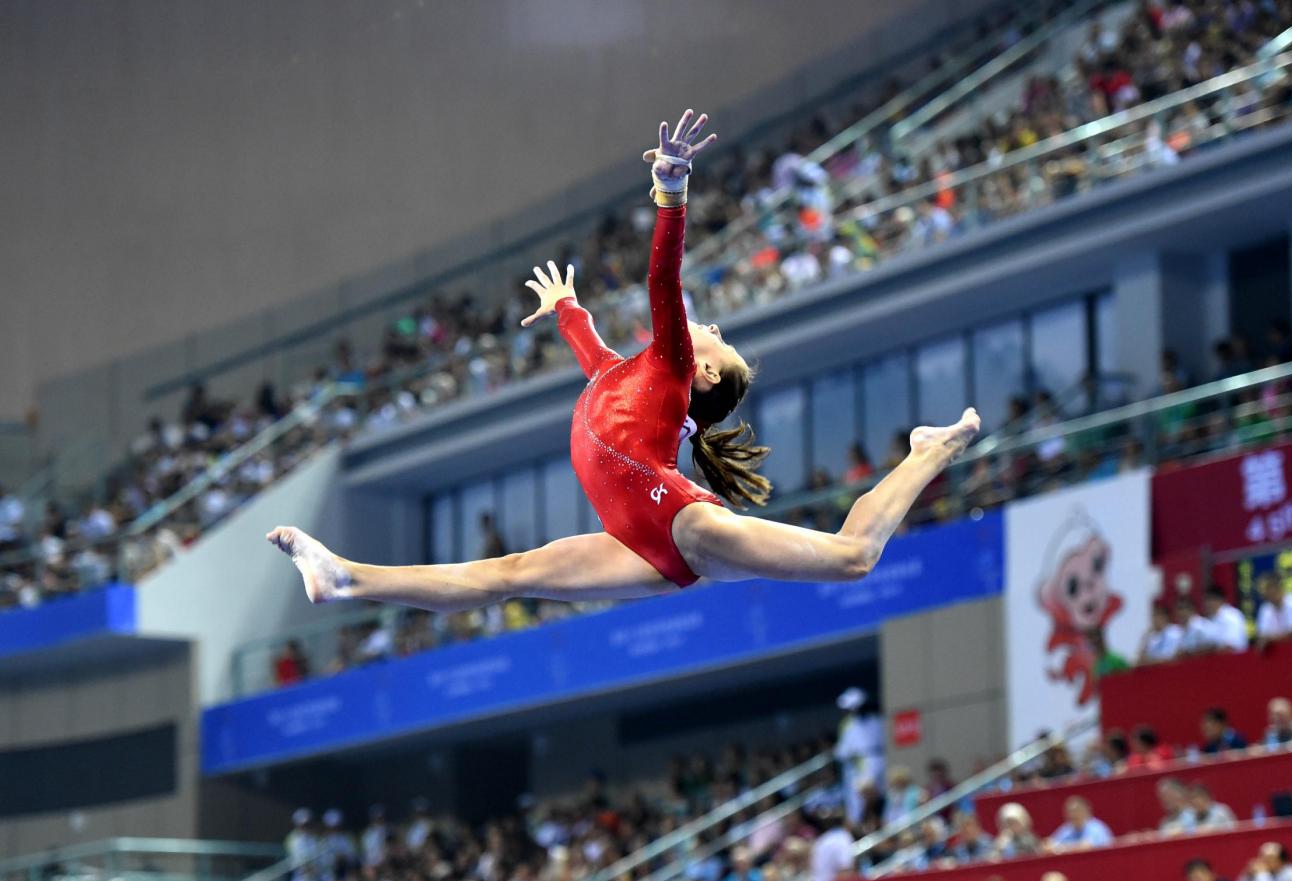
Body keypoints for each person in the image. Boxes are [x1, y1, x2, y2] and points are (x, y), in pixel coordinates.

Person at [267, 111, 981, 620]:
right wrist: (569, 307)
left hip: (680, 524)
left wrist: (671, 192)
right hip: (638, 542)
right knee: (505, 575)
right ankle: (344, 578)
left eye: (719, 338)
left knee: (852, 557)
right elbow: (593, 357)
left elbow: (663, 281)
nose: (714, 324)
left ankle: (926, 450)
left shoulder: (672, 367)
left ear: (702, 373)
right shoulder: (625, 378)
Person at [834, 688, 885, 824]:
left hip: (864, 764)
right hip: (867, 762)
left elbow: (842, 752)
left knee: (866, 798)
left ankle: (868, 822)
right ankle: (864, 823)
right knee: (864, 799)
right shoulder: (876, 720)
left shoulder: (851, 724)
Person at [1046, 796, 1113, 852]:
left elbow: (1086, 847)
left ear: (1085, 811)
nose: (1072, 815)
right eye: (1069, 812)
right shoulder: (1067, 828)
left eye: (1076, 811)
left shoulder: (1096, 827)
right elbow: (1049, 844)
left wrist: (1060, 848)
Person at [1256, 573, 1292, 641]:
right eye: (1265, 591)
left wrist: (1272, 638)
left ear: (1279, 588)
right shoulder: (1265, 609)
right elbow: (1262, 636)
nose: (1268, 593)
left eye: (1270, 588)